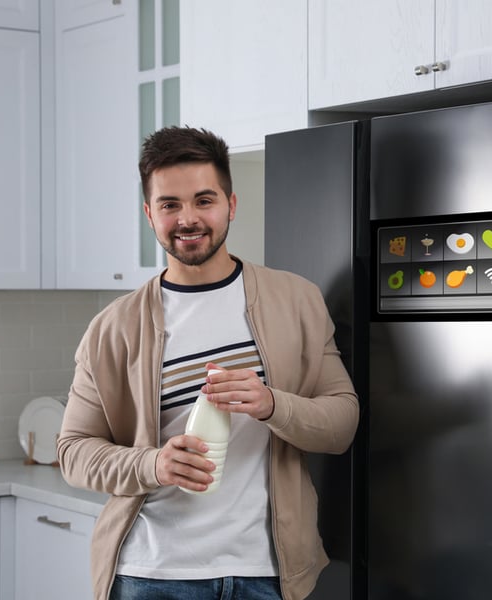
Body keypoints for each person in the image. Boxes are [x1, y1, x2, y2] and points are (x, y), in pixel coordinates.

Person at [57, 126, 359, 600]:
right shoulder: (112, 328)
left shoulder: (296, 300)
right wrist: (153, 465)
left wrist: (271, 405)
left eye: (204, 200)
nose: (188, 218)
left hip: (267, 572)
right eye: (169, 204)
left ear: (230, 205)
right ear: (149, 214)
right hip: (149, 575)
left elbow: (342, 423)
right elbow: (73, 452)